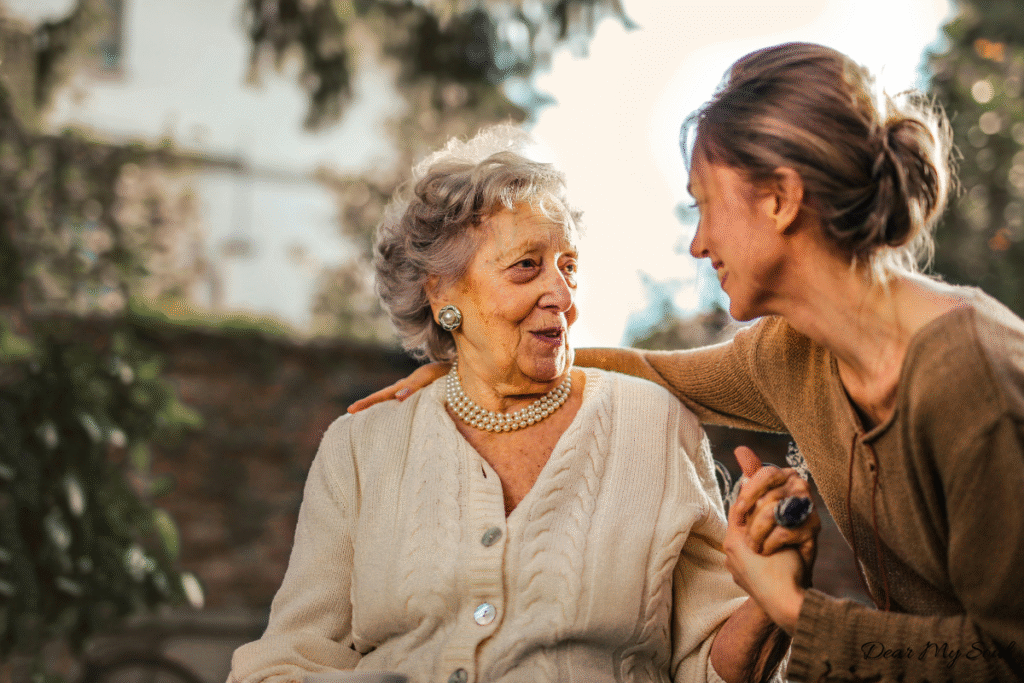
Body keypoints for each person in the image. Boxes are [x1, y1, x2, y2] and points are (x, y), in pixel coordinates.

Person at [349, 44, 1024, 682]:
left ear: (781, 198)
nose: (698, 243)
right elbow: (654, 371)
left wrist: (795, 610)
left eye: (705, 205)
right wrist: (480, 362)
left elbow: (1009, 655)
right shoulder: (793, 353)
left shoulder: (971, 376)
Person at [229, 126, 796, 683]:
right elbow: (289, 659)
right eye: (527, 265)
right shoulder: (360, 447)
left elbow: (709, 668)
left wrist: (770, 600)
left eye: (568, 267)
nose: (564, 296)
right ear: (442, 291)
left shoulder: (655, 426)